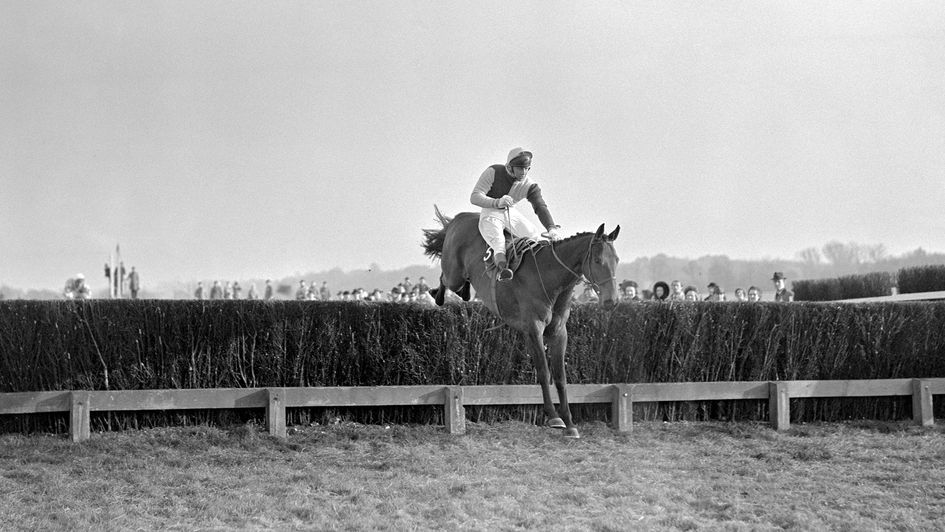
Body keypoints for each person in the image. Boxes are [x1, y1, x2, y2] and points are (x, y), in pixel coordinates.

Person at [470, 147, 562, 281]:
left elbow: (540, 206)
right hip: (490, 211)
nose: (524, 172)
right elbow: (474, 197)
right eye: (520, 168)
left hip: (510, 211)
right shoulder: (493, 171)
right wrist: (497, 202)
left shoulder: (530, 185)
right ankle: (502, 270)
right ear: (510, 167)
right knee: (498, 241)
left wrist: (551, 228)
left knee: (533, 234)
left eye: (527, 168)